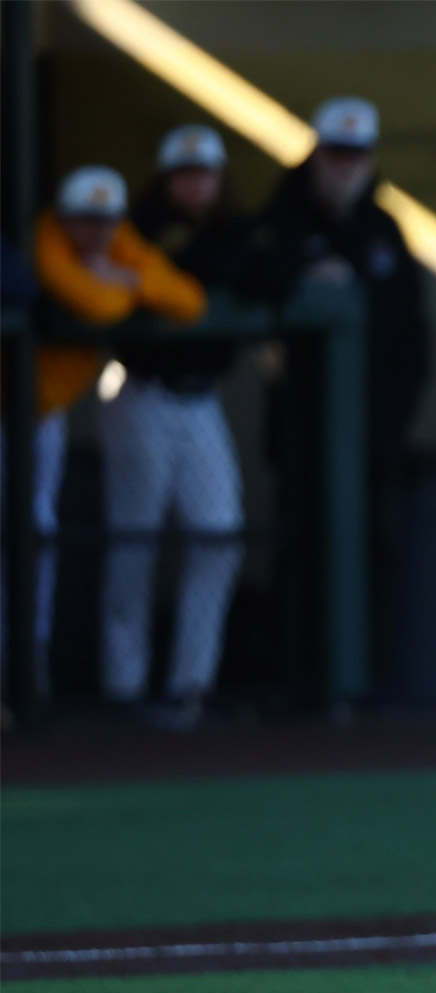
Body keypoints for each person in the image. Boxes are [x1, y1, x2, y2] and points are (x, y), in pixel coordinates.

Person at [250, 97, 430, 695]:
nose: (345, 163)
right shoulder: (281, 218)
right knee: (300, 552)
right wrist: (300, 281)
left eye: (357, 153)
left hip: (375, 437)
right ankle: (295, 685)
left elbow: (414, 336)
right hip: (304, 432)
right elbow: (248, 274)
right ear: (315, 152)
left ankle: (369, 688)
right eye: (335, 151)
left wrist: (396, 417)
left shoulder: (384, 229)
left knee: (377, 549)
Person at [23, 166, 204, 689]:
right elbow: (97, 302)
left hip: (42, 416)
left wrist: (130, 279)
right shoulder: (47, 238)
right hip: (11, 406)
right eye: (85, 220)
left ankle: (27, 663)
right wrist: (126, 289)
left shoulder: (119, 244)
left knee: (37, 532)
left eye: (104, 221)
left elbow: (190, 301)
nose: (96, 233)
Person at [100, 125, 252, 728]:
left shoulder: (233, 230)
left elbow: (248, 269)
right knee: (134, 540)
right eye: (184, 175)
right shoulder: (133, 228)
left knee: (219, 533)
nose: (196, 185)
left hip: (201, 400)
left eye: (205, 174)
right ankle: (123, 685)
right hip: (139, 392)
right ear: (165, 180)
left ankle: (190, 684)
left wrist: (168, 279)